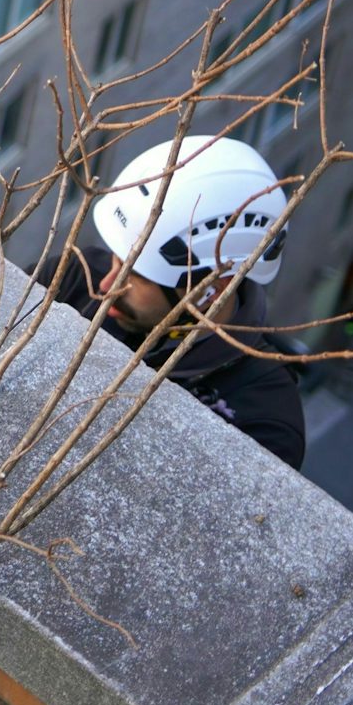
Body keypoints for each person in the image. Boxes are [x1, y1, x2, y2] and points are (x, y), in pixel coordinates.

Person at [47, 134, 304, 470]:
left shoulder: (262, 421)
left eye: (135, 275)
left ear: (210, 289)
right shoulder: (75, 276)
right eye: (116, 257)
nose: (106, 286)